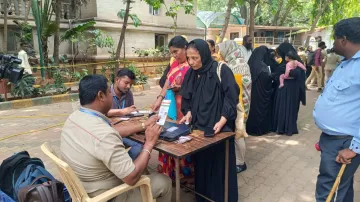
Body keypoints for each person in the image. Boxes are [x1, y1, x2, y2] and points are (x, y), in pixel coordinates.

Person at [60, 74, 172, 202]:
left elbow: (111, 132)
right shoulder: (104, 135)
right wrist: (149, 143)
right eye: (109, 92)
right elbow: (132, 177)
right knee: (164, 182)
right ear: (101, 96)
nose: (111, 96)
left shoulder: (74, 117)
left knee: (142, 168)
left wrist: (143, 125)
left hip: (82, 186)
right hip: (107, 196)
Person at [180, 39, 239, 202]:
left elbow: (231, 97)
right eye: (189, 58)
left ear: (204, 55)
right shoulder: (192, 73)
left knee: (219, 165)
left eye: (195, 58)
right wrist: (189, 112)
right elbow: (188, 97)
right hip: (199, 129)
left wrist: (223, 119)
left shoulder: (222, 69)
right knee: (203, 166)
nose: (191, 62)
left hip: (218, 128)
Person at [314, 17, 360, 202]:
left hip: (345, 144)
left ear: (343, 40)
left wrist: (355, 147)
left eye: (334, 38)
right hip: (334, 140)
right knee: (342, 188)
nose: (332, 43)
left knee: (329, 191)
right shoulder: (347, 62)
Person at [151, 36, 194, 182]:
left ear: (185, 48)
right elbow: (167, 82)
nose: (174, 55)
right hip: (171, 107)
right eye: (172, 53)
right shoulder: (175, 64)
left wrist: (181, 88)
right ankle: (170, 173)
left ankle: (185, 174)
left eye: (176, 51)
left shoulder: (193, 63)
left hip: (186, 107)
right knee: (168, 135)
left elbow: (196, 87)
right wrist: (159, 98)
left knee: (183, 138)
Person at [218, 40, 251, 173]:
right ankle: (237, 159)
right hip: (243, 103)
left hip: (239, 105)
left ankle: (240, 162)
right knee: (239, 132)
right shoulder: (240, 62)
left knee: (239, 134)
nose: (220, 53)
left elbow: (234, 88)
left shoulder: (235, 66)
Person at [106, 68, 143, 160]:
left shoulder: (128, 93)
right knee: (138, 147)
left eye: (130, 84)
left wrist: (135, 115)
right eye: (126, 83)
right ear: (117, 79)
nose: (128, 86)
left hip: (126, 128)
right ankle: (126, 168)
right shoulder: (107, 93)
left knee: (144, 138)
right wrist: (121, 111)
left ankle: (126, 163)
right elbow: (102, 113)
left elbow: (130, 112)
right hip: (111, 131)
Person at [272, 42, 306, 136]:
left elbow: (297, 74)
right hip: (291, 88)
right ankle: (285, 127)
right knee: (287, 107)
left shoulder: (290, 64)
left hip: (289, 88)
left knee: (286, 107)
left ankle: (286, 127)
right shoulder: (294, 62)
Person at [246, 46, 274, 136]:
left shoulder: (249, 63)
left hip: (252, 93)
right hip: (261, 95)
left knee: (252, 111)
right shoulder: (263, 67)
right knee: (260, 111)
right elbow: (267, 80)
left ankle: (251, 129)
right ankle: (260, 129)